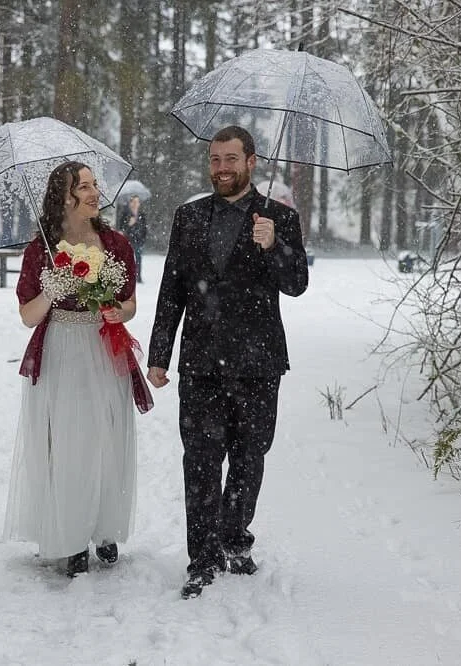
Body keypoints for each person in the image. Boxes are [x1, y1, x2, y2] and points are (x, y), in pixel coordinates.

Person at [147, 126, 309, 599]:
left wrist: (274, 244)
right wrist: (160, 354)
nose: (221, 168)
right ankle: (202, 556)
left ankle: (235, 538)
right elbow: (171, 290)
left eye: (230, 159)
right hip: (200, 362)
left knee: (248, 458)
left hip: (258, 363)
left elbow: (296, 284)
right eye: (215, 159)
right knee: (199, 460)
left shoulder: (278, 218)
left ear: (251, 162)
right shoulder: (188, 216)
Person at [4, 161, 152, 578]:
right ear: (62, 198)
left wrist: (112, 311)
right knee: (67, 442)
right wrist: (51, 292)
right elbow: (28, 317)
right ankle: (69, 536)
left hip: (105, 351)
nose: (93, 192)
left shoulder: (116, 244)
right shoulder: (40, 251)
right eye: (82, 187)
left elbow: (130, 304)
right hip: (62, 351)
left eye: (93, 185)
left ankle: (103, 528)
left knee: (106, 438)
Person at [117, 195, 148, 283]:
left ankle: (138, 277)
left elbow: (145, 228)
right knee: (128, 259)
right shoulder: (125, 214)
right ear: (130, 203)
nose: (135, 204)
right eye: (133, 202)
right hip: (128, 240)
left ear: (139, 204)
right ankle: (127, 277)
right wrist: (129, 224)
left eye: (137, 202)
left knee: (138, 259)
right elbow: (121, 228)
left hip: (138, 240)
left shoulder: (142, 214)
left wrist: (143, 239)